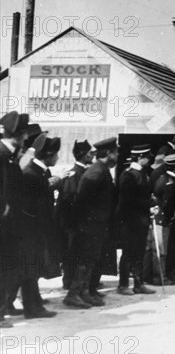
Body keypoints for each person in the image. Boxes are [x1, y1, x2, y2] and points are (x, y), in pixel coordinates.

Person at [72, 137, 119, 307]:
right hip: (89, 226)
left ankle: (85, 292)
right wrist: (85, 225)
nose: (118, 155)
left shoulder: (102, 170)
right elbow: (82, 203)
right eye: (116, 152)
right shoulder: (95, 173)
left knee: (91, 260)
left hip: (96, 225)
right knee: (85, 260)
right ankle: (74, 294)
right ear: (108, 153)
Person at [20, 132, 61, 319]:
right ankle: (32, 308)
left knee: (34, 269)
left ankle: (34, 305)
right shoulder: (31, 174)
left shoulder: (41, 172)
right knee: (30, 269)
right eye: (56, 154)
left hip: (38, 230)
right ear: (48, 155)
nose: (58, 158)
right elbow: (29, 208)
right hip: (32, 231)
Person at [0, 112, 32, 326]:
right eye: (25, 132)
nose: (27, 136)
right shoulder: (2, 154)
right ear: (19, 134)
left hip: (10, 225)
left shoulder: (9, 155)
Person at [117, 145, 156, 295]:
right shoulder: (128, 175)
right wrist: (148, 205)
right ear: (140, 157)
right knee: (128, 253)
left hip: (141, 220)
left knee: (139, 252)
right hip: (129, 222)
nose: (149, 160)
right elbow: (128, 200)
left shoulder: (143, 174)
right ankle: (123, 285)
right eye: (148, 157)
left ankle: (139, 284)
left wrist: (151, 200)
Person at [58, 140, 95, 298]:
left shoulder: (83, 172)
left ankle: (75, 282)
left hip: (79, 222)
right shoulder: (74, 174)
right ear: (83, 155)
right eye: (90, 153)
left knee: (76, 252)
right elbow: (70, 200)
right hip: (74, 223)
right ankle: (69, 282)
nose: (92, 156)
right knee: (72, 253)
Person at [153, 153, 175, 285]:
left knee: (166, 248)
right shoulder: (169, 182)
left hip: (165, 218)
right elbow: (167, 203)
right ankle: (161, 277)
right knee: (162, 250)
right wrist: (173, 216)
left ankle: (166, 275)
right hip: (164, 219)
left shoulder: (167, 179)